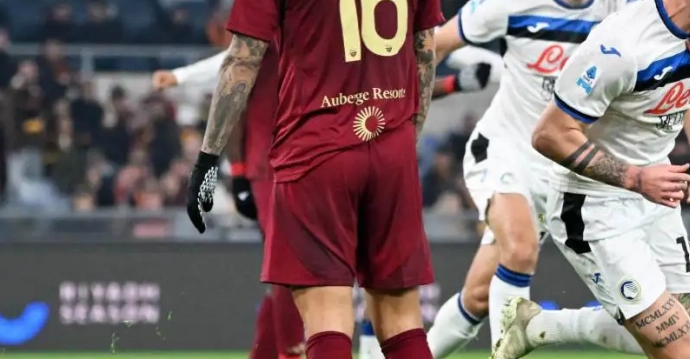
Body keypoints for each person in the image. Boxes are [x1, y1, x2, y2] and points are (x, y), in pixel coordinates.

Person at [183, 0, 444, 359]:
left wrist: (209, 160)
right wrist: (407, 137)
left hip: (316, 152)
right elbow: (424, 55)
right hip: (390, 147)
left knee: (326, 317)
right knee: (400, 316)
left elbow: (241, 64)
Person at [494, 0, 690, 359]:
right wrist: (634, 178)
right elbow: (548, 134)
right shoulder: (621, 47)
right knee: (681, 351)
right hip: (593, 205)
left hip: (653, 193)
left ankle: (538, 327)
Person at [154, 45, 498, 359]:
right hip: (276, 164)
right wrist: (240, 170)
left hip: (319, 159)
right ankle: (294, 353)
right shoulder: (291, 10)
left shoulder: (320, 19)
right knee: (304, 277)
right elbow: (236, 63)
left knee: (300, 277)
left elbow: (390, 90)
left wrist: (452, 84)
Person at [427, 0, 658, 356]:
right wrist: (415, 100)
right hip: (505, 151)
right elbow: (434, 43)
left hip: (563, 168)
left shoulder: (623, 5)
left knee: (477, 297)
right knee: (521, 250)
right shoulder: (513, 1)